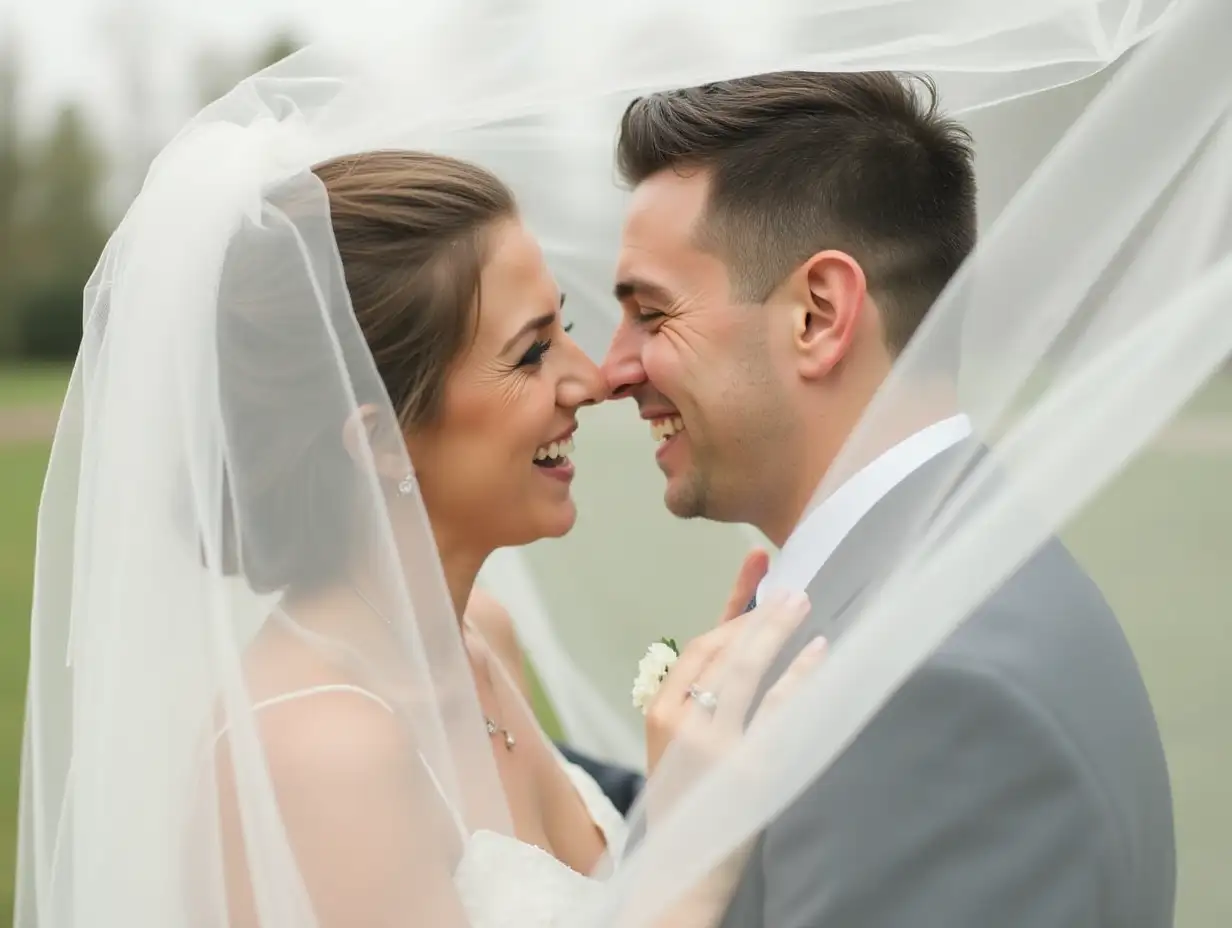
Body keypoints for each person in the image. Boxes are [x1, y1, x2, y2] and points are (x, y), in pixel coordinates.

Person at [21, 142, 826, 928]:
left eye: (564, 327)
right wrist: (698, 838)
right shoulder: (322, 755)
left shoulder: (482, 640)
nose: (590, 379)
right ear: (375, 439)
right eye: (533, 352)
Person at [600, 70, 1177, 927]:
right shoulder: (949, 570)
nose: (613, 368)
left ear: (819, 314)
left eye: (651, 313)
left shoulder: (924, 693)